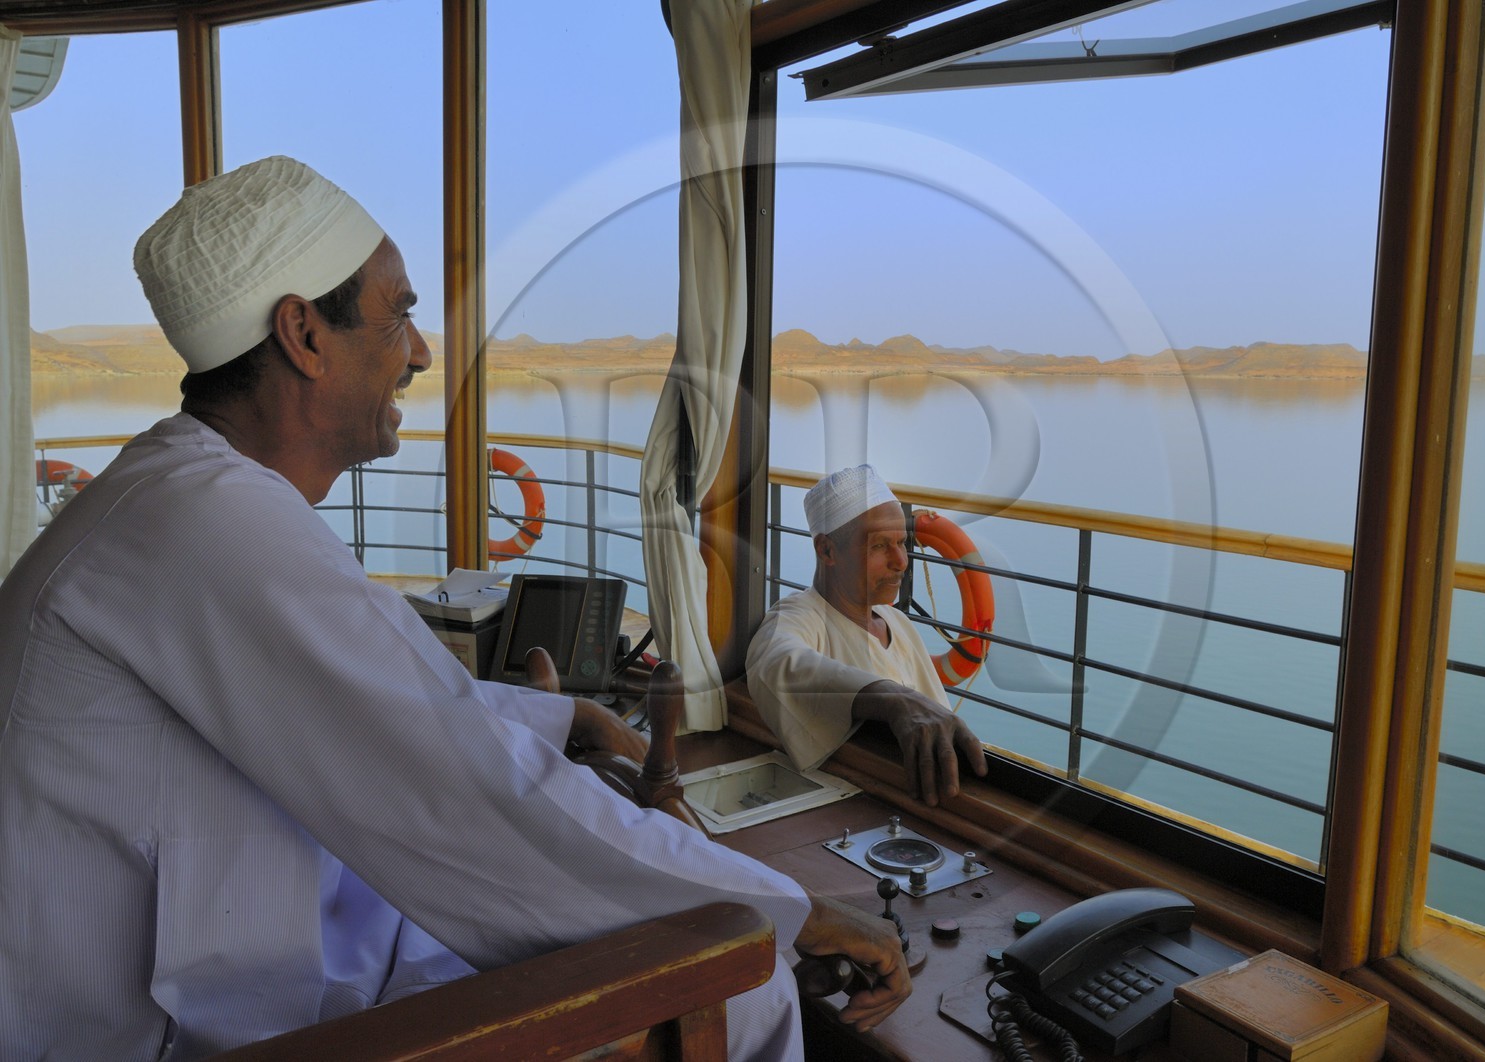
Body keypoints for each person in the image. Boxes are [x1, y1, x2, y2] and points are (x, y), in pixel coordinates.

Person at [0, 156, 906, 1062]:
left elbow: (382, 705)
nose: (422, 350)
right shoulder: (207, 522)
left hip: (242, 947)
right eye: (399, 314)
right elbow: (466, 792)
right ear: (304, 336)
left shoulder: (176, 492)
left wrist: (559, 717)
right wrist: (784, 909)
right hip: (155, 1032)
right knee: (739, 987)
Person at [746, 464, 987, 807]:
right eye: (879, 546)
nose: (901, 561)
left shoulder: (898, 623)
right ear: (827, 550)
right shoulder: (799, 616)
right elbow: (776, 660)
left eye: (902, 543)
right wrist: (894, 699)